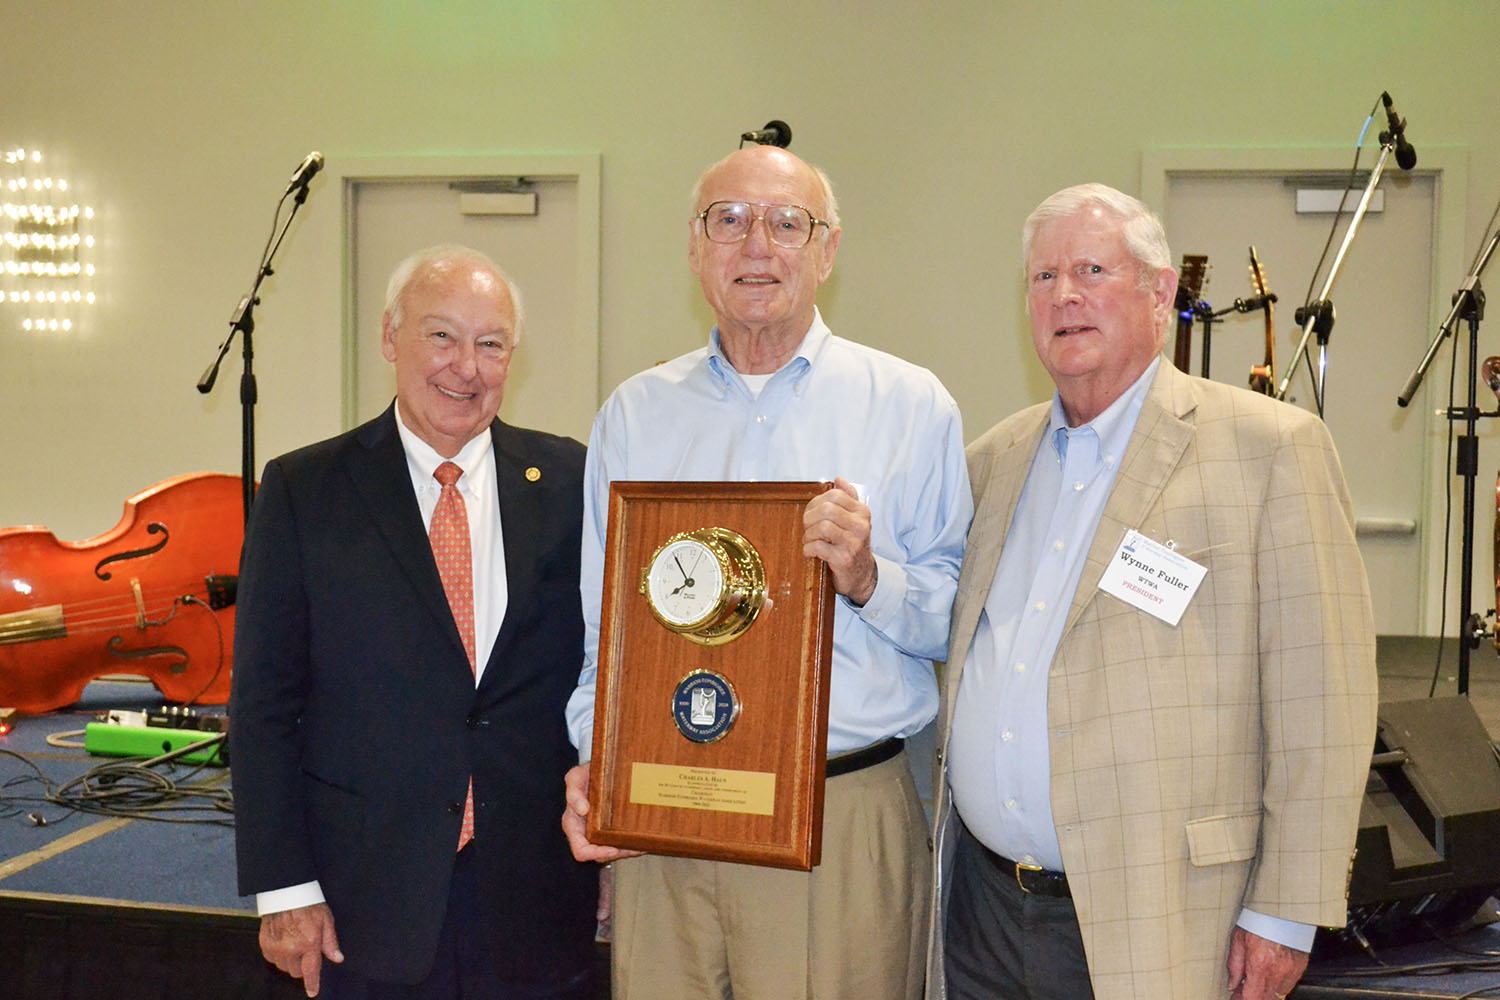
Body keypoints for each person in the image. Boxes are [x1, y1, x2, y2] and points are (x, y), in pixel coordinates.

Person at [925, 183, 1379, 1000]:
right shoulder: (994, 460)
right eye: (1044, 277)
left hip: (1160, 911)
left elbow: (1326, 697)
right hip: (982, 913)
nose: (1065, 295)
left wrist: (1285, 912)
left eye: (1092, 269)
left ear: (1160, 291)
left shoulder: (1269, 450)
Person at [560, 144, 972, 1000]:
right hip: (664, 820)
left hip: (839, 814)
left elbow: (956, 620)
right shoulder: (636, 414)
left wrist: (867, 577)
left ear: (828, 250)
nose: (757, 245)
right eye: (730, 220)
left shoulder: (909, 404)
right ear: (694, 246)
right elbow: (607, 635)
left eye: (789, 223)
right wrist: (599, 768)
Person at [230, 245, 597, 999]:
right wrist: (284, 888)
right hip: (361, 903)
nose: (466, 366)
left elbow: (608, 667)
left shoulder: (571, 480)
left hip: (533, 899)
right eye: (442, 336)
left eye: (490, 344)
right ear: (391, 338)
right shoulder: (305, 488)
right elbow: (264, 704)